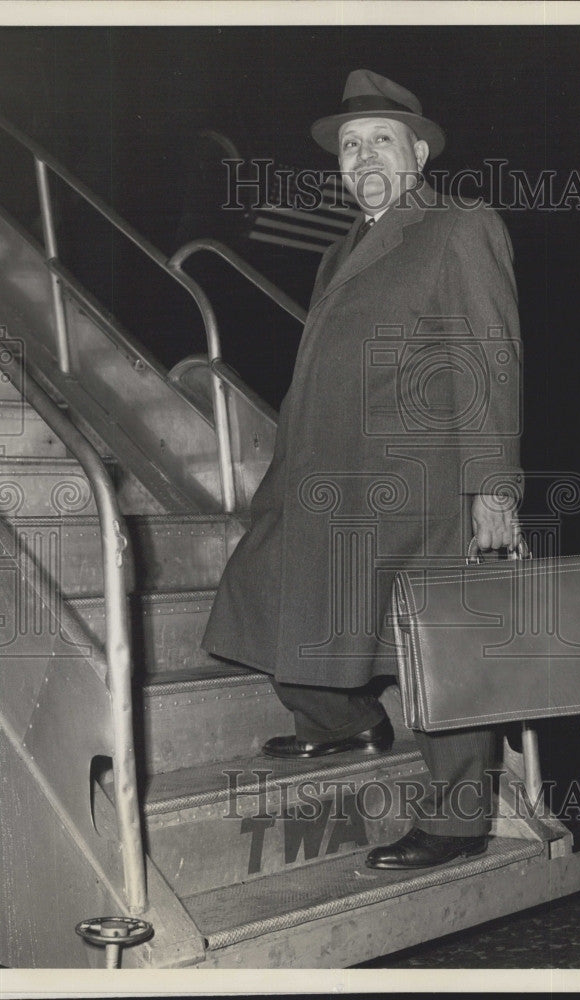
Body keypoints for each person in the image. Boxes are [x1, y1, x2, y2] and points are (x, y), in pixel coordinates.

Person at [202, 69, 522, 869]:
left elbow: (489, 360)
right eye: (350, 144)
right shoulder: (343, 248)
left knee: (434, 645)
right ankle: (342, 723)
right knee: (261, 590)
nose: (363, 153)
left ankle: (456, 822)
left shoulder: (458, 225)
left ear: (417, 152)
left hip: (421, 485)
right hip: (326, 476)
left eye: (381, 138)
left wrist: (492, 489)